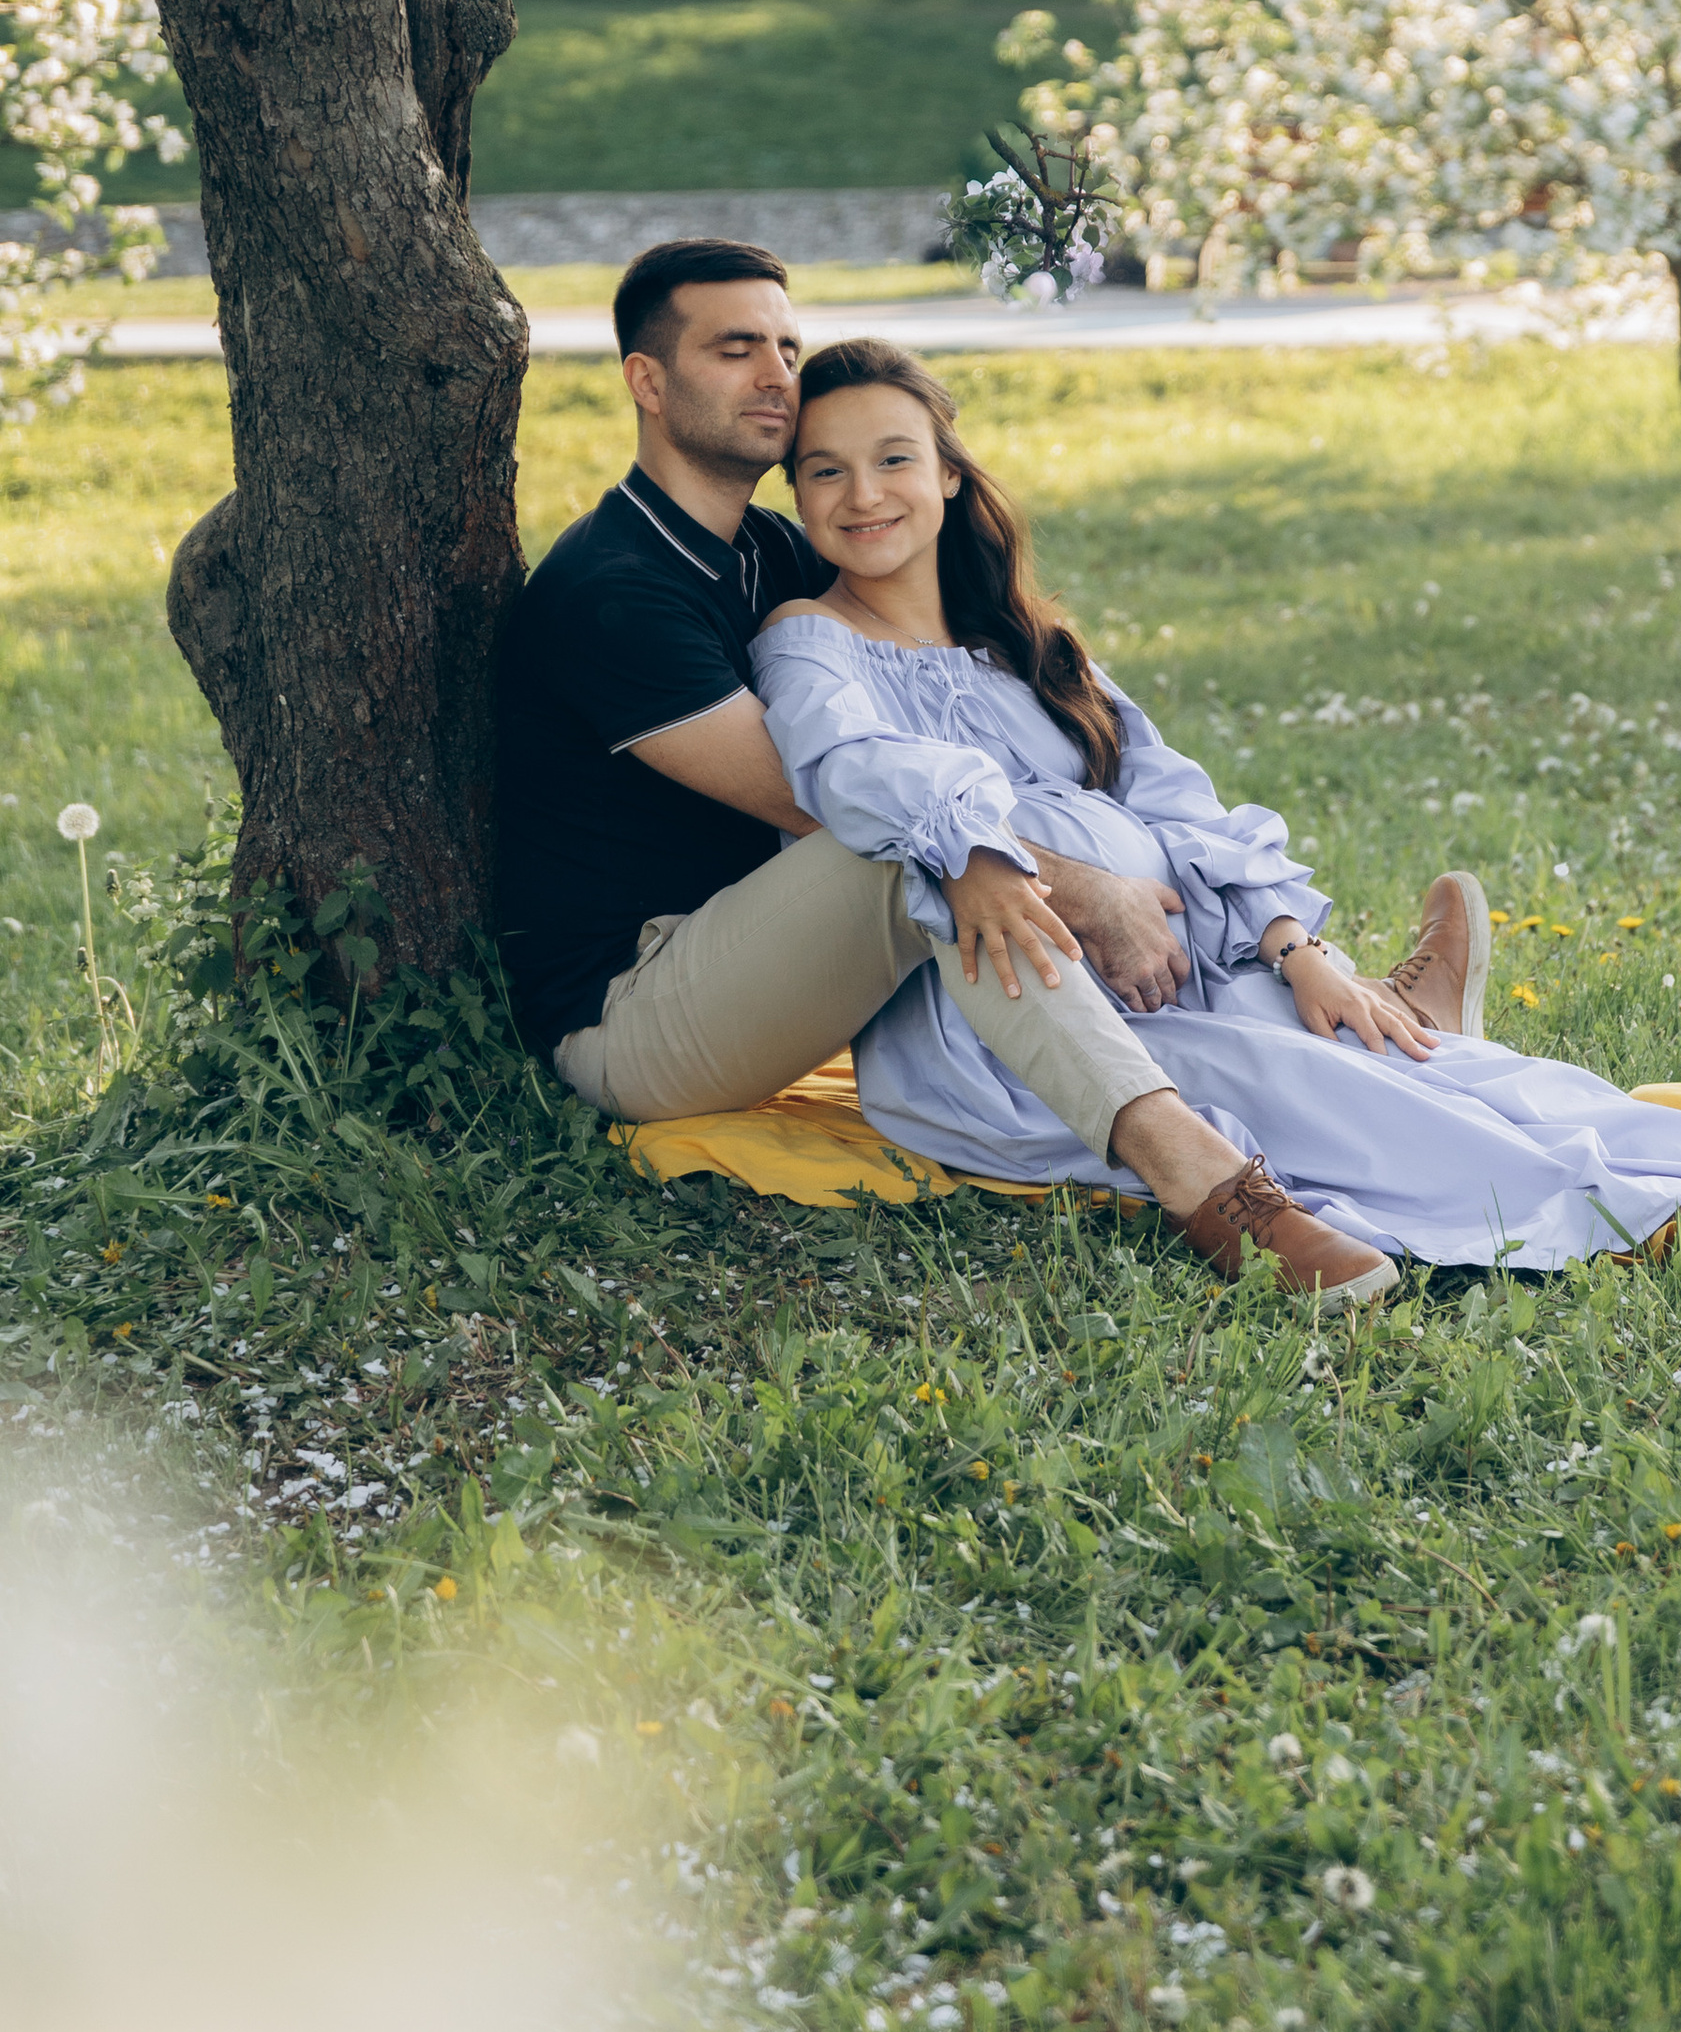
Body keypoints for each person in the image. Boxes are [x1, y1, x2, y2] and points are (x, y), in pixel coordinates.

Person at [748, 339, 1681, 1311]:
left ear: (948, 474)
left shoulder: (1027, 644)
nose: (862, 496)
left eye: (893, 459)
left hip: (1185, 958)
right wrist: (1033, 869)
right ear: (795, 495)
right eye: (823, 472)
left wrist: (1294, 944)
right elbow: (851, 774)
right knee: (1306, 1092)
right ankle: (1651, 1215)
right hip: (1014, 1015)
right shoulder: (811, 642)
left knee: (1387, 1055)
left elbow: (1173, 797)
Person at [489, 242, 1386, 1300]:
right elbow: (823, 801)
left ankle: (1358, 1042)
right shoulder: (613, 589)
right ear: (647, 380)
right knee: (917, 851)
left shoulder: (766, 550)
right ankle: (1205, 1185)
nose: (777, 374)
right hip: (632, 1014)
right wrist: (1084, 886)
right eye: (735, 349)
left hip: (763, 958)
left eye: (785, 344)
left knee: (1006, 831)